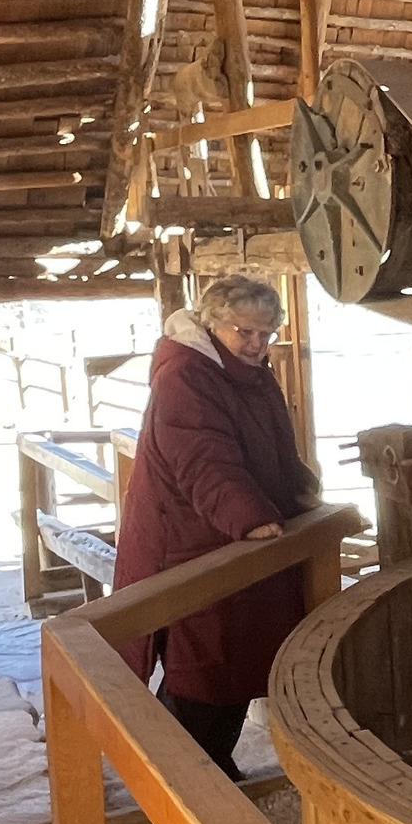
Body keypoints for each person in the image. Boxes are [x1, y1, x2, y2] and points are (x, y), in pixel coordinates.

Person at [108, 273, 318, 773]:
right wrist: (249, 517)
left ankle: (209, 769)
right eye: (243, 331)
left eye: (265, 333)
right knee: (201, 667)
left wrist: (297, 489)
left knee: (232, 661)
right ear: (211, 324)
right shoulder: (186, 375)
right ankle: (177, 778)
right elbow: (202, 458)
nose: (255, 343)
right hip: (190, 542)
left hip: (225, 537)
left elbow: (272, 444)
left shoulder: (244, 370)